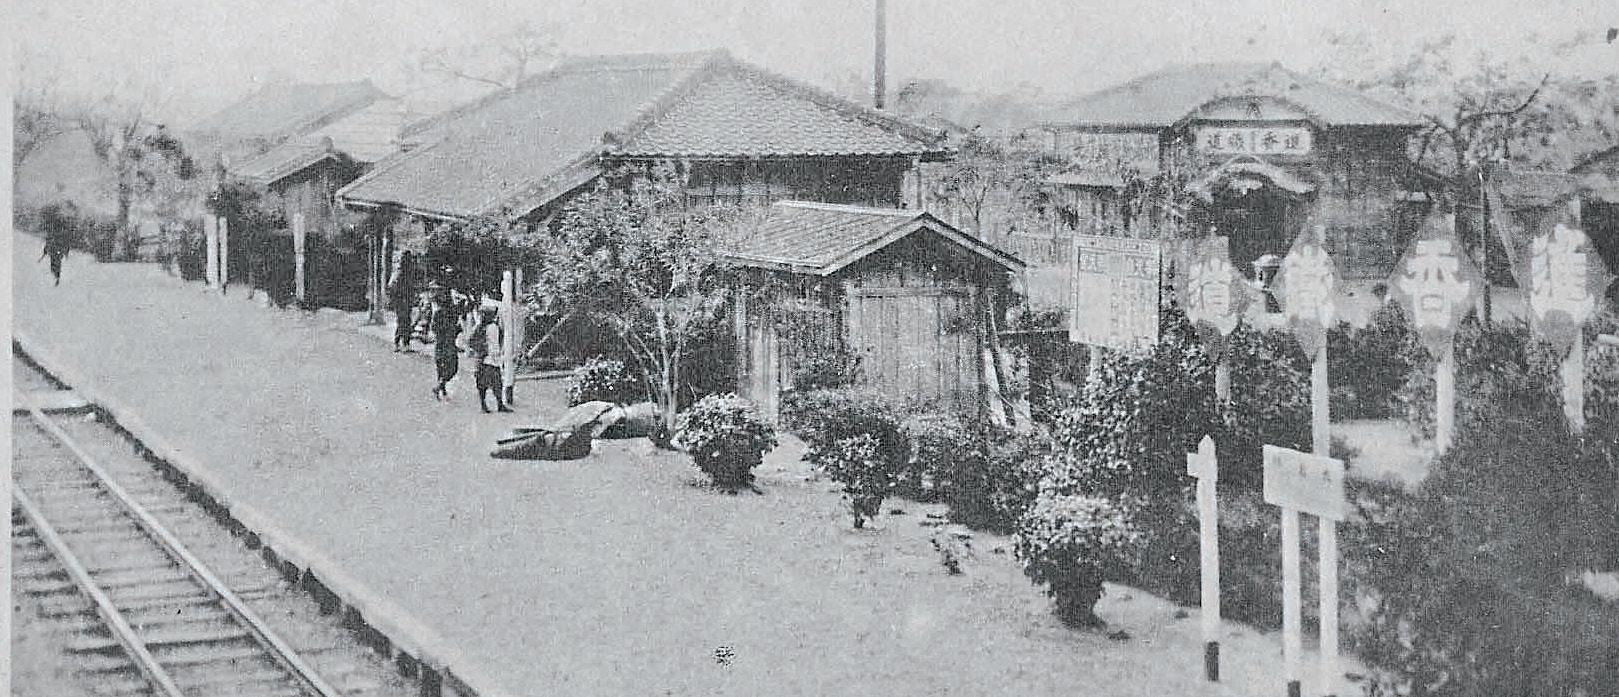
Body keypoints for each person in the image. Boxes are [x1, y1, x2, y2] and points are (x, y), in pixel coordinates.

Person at [469, 303, 512, 413]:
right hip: (484, 359)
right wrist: (482, 349)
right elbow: (472, 341)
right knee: (482, 384)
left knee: (497, 383)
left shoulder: (496, 327)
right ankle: (483, 405)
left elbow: (500, 340)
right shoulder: (479, 328)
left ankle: (500, 404)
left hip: (494, 359)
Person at [429, 285, 467, 401]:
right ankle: (440, 389)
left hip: (442, 344)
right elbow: (436, 328)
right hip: (447, 344)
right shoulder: (447, 313)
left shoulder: (442, 313)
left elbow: (434, 328)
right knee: (451, 368)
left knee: (443, 369)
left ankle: (440, 388)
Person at [387, 252, 421, 351]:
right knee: (403, 321)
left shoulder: (407, 273)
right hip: (401, 300)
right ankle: (400, 342)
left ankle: (402, 342)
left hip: (405, 300)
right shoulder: (400, 273)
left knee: (405, 321)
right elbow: (392, 287)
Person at [39, 203, 76, 286]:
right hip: (56, 249)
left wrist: (46, 250)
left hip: (56, 249)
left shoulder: (58, 231)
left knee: (55, 262)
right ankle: (56, 277)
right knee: (56, 263)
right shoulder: (60, 230)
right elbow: (64, 241)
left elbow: (63, 241)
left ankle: (56, 277)